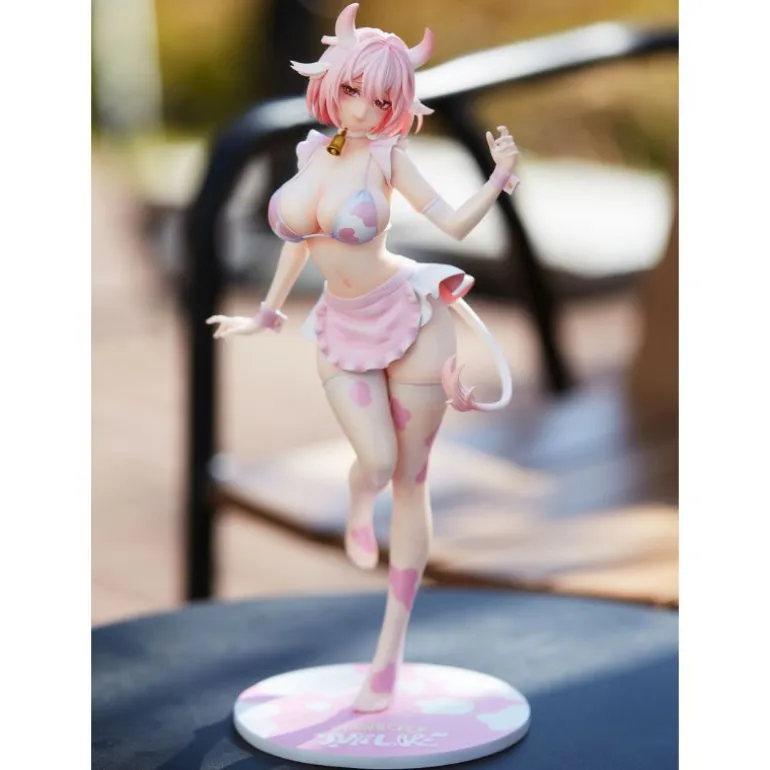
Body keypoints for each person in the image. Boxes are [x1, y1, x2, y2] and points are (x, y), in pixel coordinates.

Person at [207, 2, 519, 713]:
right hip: (342, 327)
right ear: (331, 83)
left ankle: (388, 656)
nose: (364, 108)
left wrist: (498, 176)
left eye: (382, 100)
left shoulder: (390, 157)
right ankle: (357, 499)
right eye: (353, 90)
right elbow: (299, 243)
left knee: (410, 478)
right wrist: (267, 312)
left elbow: (454, 224)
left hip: (413, 317)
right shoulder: (313, 152)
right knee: (374, 463)